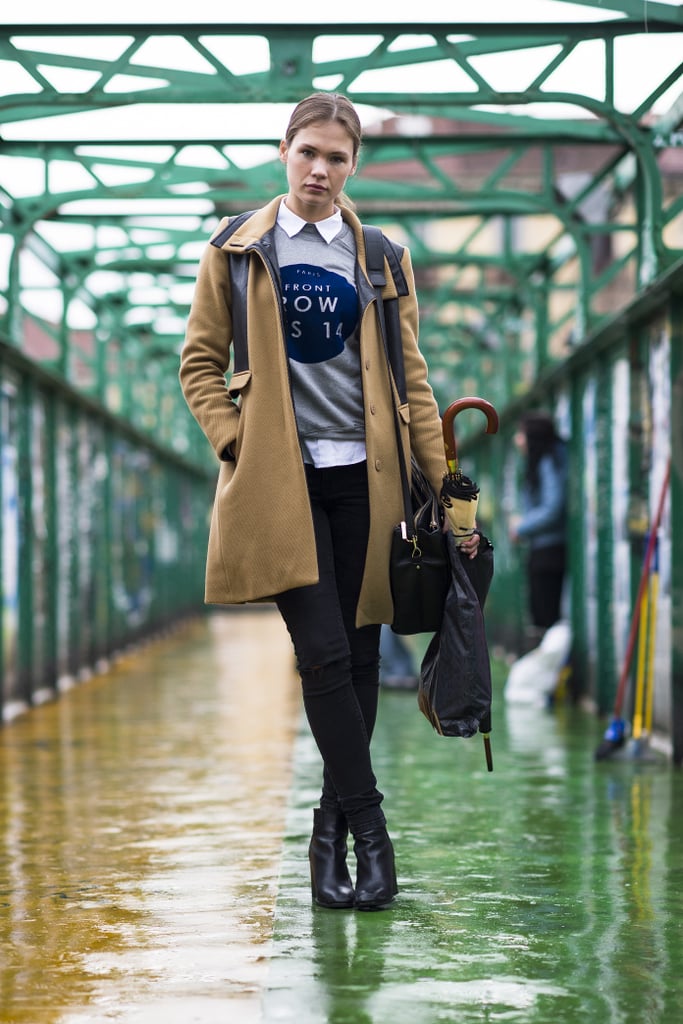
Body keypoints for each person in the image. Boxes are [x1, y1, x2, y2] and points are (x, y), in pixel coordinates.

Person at [179, 93, 480, 911]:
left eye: (336, 158)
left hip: (369, 485)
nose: (319, 169)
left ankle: (327, 838)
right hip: (282, 482)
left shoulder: (380, 254)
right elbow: (199, 364)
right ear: (284, 151)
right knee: (320, 654)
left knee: (354, 659)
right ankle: (373, 834)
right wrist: (236, 441)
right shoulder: (236, 249)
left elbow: (411, 382)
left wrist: (445, 498)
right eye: (307, 152)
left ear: (354, 166)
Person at [509, 411, 568, 636]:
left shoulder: (548, 461)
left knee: (546, 617)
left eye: (521, 434)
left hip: (550, 550)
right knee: (541, 615)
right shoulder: (545, 460)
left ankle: (550, 667)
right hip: (543, 548)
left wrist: (521, 527)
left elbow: (553, 507)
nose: (517, 440)